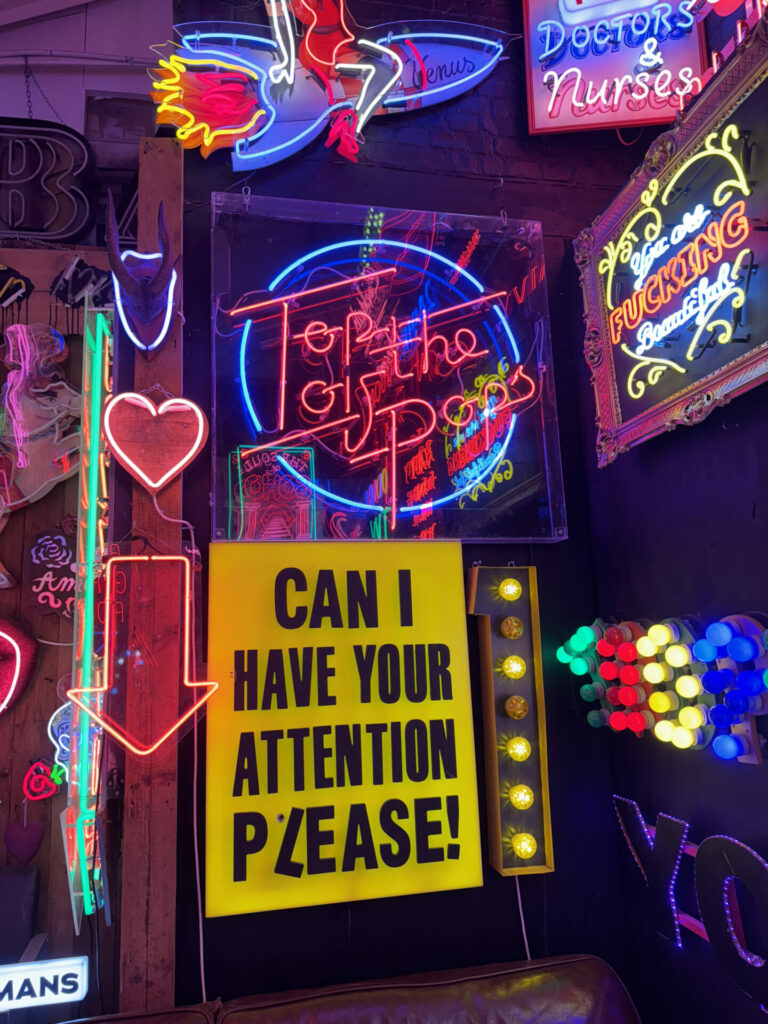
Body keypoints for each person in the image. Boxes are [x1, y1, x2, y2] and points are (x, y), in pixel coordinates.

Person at [266, 0, 402, 161]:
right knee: (382, 73)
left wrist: (369, 46)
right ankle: (351, 131)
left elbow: (345, 18)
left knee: (385, 73)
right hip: (318, 53)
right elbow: (282, 32)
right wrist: (287, 74)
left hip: (340, 42)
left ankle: (349, 127)